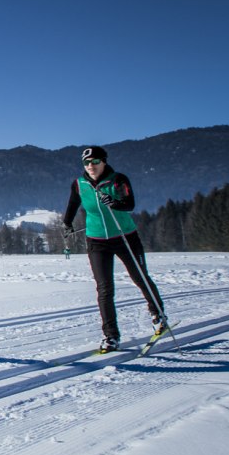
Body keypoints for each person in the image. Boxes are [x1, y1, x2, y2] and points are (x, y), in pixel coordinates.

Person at [62, 145, 168, 353]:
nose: (90, 166)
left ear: (104, 161)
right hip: (96, 241)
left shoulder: (118, 179)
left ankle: (158, 315)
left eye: (95, 162)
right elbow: (73, 204)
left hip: (124, 236)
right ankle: (111, 336)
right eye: (86, 163)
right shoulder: (79, 184)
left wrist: (115, 202)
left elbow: (129, 204)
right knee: (104, 288)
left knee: (140, 277)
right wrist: (67, 223)